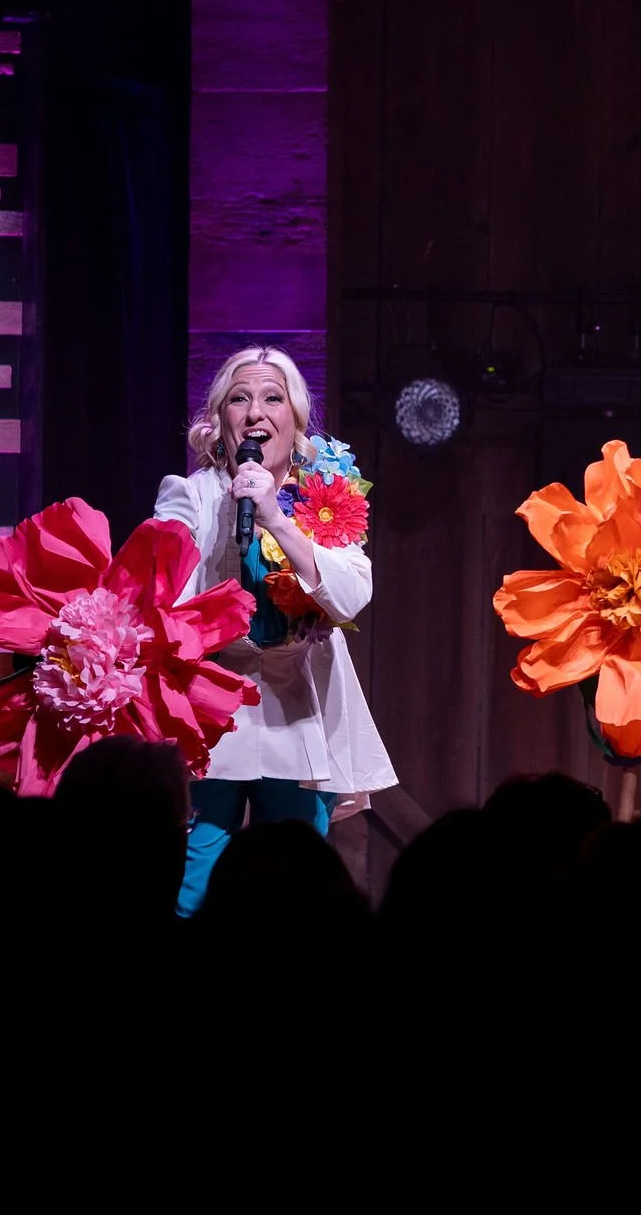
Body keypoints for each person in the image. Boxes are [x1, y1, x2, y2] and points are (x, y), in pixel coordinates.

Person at [155, 345, 396, 915]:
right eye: (240, 399)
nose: (256, 412)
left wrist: (276, 518)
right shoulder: (190, 494)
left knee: (297, 884)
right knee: (194, 878)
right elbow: (162, 589)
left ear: (296, 419)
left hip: (299, 707)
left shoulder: (328, 500)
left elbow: (351, 595)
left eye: (272, 398)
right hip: (214, 705)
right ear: (219, 420)